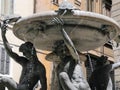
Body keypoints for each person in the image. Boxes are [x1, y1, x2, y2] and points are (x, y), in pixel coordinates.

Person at [0, 19, 47, 90]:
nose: (24, 55)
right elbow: (11, 53)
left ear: (32, 51)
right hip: (18, 88)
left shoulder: (40, 68)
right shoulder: (25, 62)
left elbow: (44, 87)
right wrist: (3, 36)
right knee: (3, 80)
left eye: (25, 52)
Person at [51, 17, 91, 90]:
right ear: (57, 53)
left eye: (64, 49)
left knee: (62, 75)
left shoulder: (74, 58)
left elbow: (71, 46)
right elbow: (60, 86)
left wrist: (61, 30)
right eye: (61, 51)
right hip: (73, 87)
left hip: (83, 87)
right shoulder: (59, 67)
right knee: (62, 75)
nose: (63, 52)